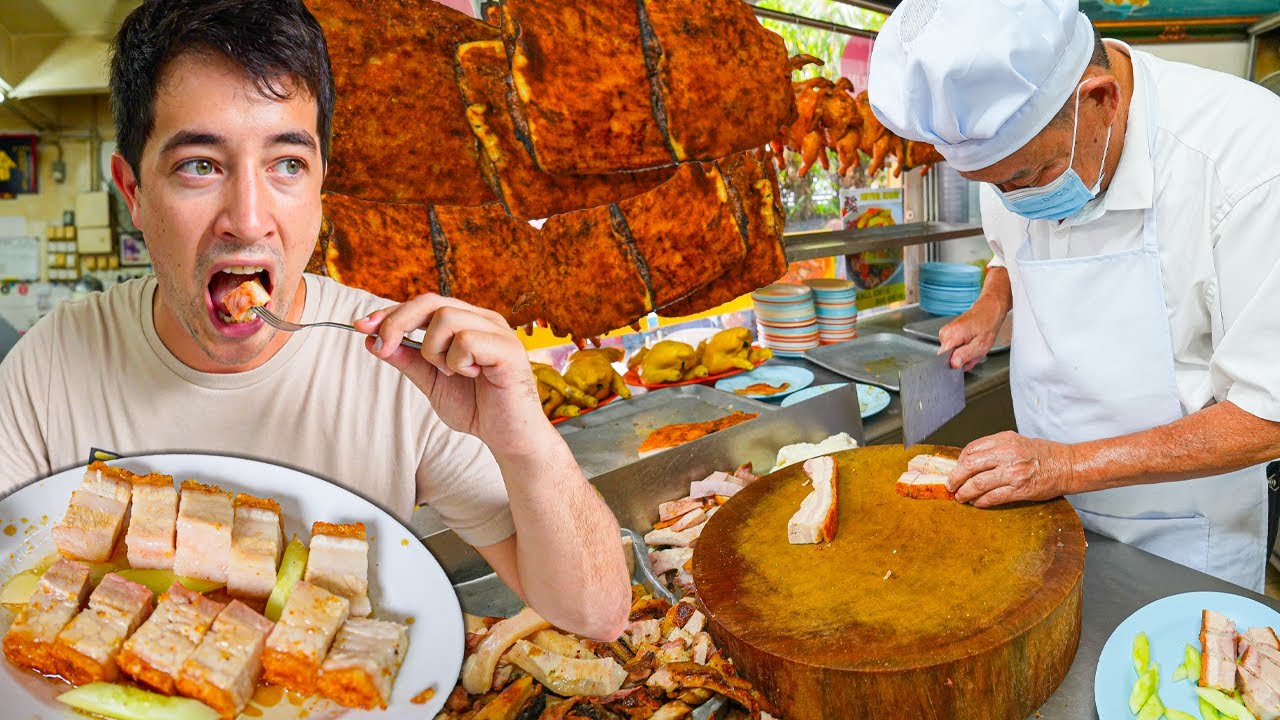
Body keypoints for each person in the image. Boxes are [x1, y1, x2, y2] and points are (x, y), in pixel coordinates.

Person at [0, 0, 630, 639]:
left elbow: (595, 613)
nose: (248, 219)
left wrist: (524, 442)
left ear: (322, 186)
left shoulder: (399, 362)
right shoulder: (51, 362)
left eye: (287, 165)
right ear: (133, 191)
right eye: (200, 165)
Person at [869, 0, 1280, 590]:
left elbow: (1269, 413)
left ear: (1100, 100)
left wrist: (1064, 464)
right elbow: (1010, 249)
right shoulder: (1016, 145)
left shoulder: (1250, 162)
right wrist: (992, 306)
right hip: (1041, 503)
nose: (1011, 200)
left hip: (1183, 531)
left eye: (1026, 180)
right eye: (991, 185)